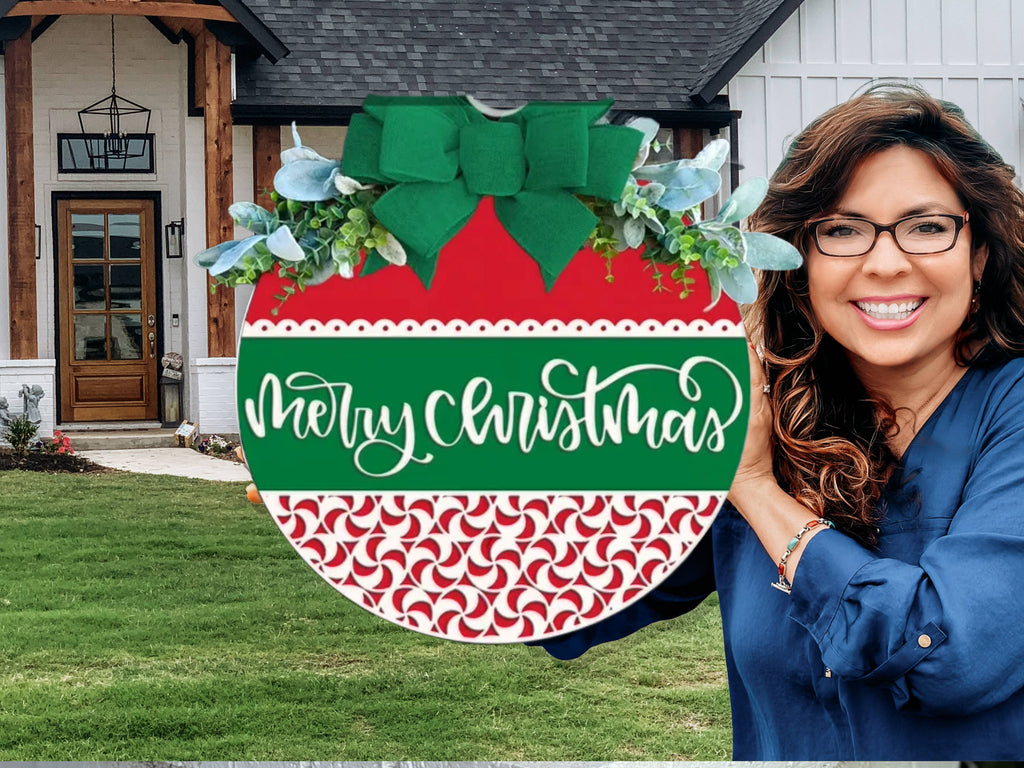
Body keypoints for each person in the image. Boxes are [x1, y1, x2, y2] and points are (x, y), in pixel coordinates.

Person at [535, 83, 1024, 759]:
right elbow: (566, 599)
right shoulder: (768, 414)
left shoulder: (1011, 414)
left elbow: (950, 658)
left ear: (980, 253)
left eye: (927, 226)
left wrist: (759, 491)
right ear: (800, 263)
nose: (885, 263)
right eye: (843, 230)